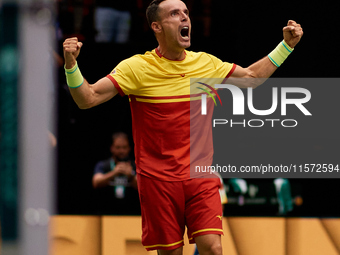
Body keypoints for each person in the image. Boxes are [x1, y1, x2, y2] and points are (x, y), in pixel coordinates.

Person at [62, 0, 303, 254]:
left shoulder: (206, 64)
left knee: (212, 248)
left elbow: (252, 79)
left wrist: (286, 46)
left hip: (200, 176)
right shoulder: (136, 68)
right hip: (158, 181)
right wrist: (71, 65)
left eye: (186, 13)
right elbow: (87, 99)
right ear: (157, 26)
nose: (184, 18)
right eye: (175, 14)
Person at [92, 132, 140, 215]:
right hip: (106, 213)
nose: (121, 151)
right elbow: (96, 182)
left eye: (124, 147)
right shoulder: (103, 165)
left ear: (129, 148)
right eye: (118, 147)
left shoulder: (136, 166)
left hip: (132, 214)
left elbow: (144, 188)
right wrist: (114, 173)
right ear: (112, 148)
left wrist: (131, 176)